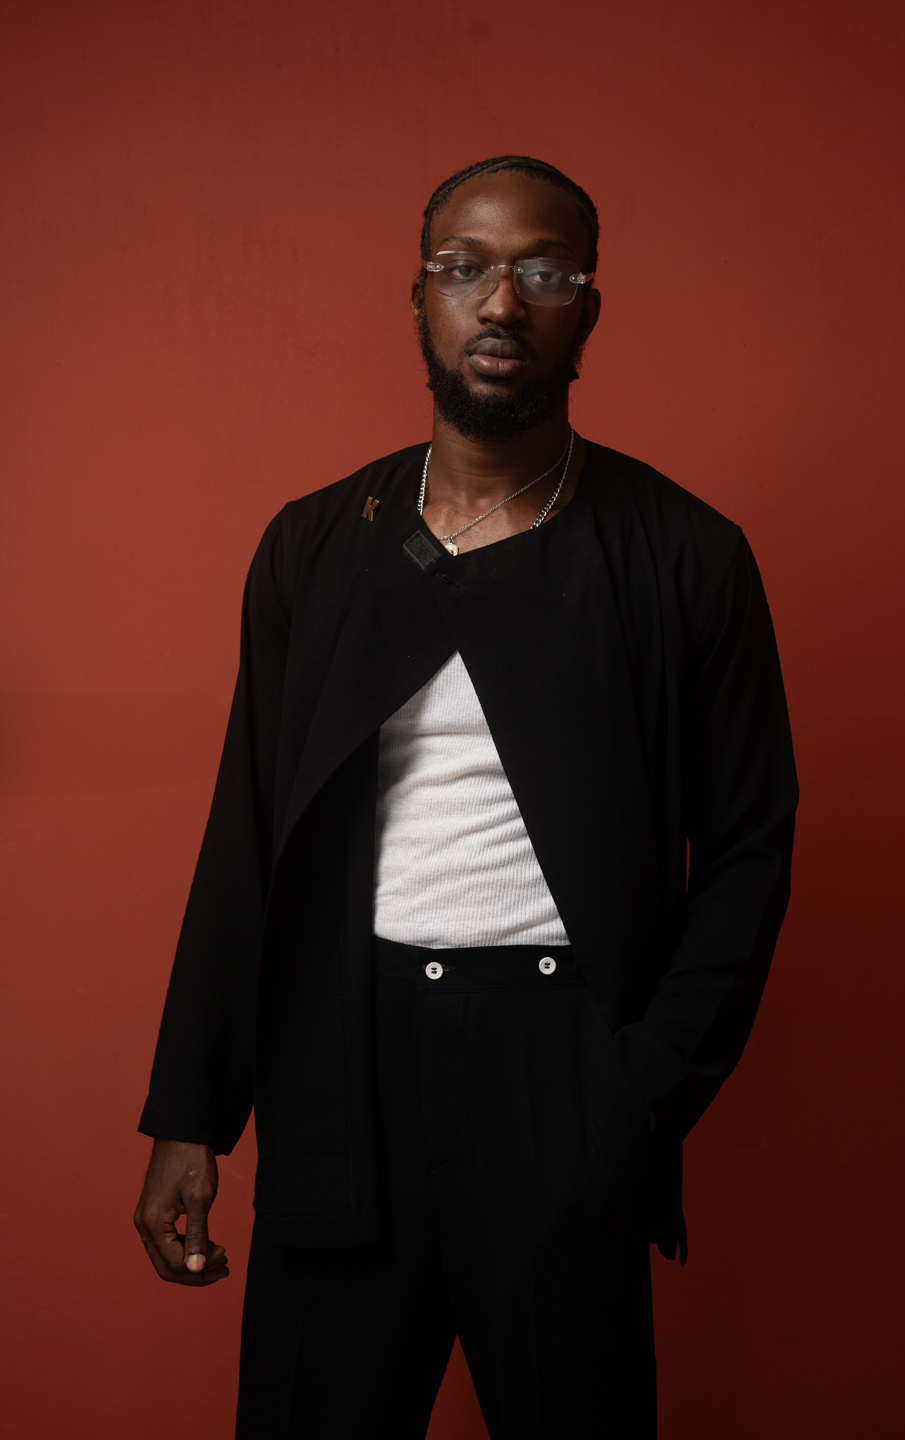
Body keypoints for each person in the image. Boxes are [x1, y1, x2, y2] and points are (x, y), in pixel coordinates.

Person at [134, 155, 798, 1439]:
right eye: (465, 268)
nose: (501, 302)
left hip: (563, 1069)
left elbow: (749, 849)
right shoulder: (315, 545)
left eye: (543, 271)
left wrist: (642, 1086)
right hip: (343, 1062)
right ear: (420, 299)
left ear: (587, 306)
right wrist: (191, 1115)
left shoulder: (685, 556)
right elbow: (246, 835)